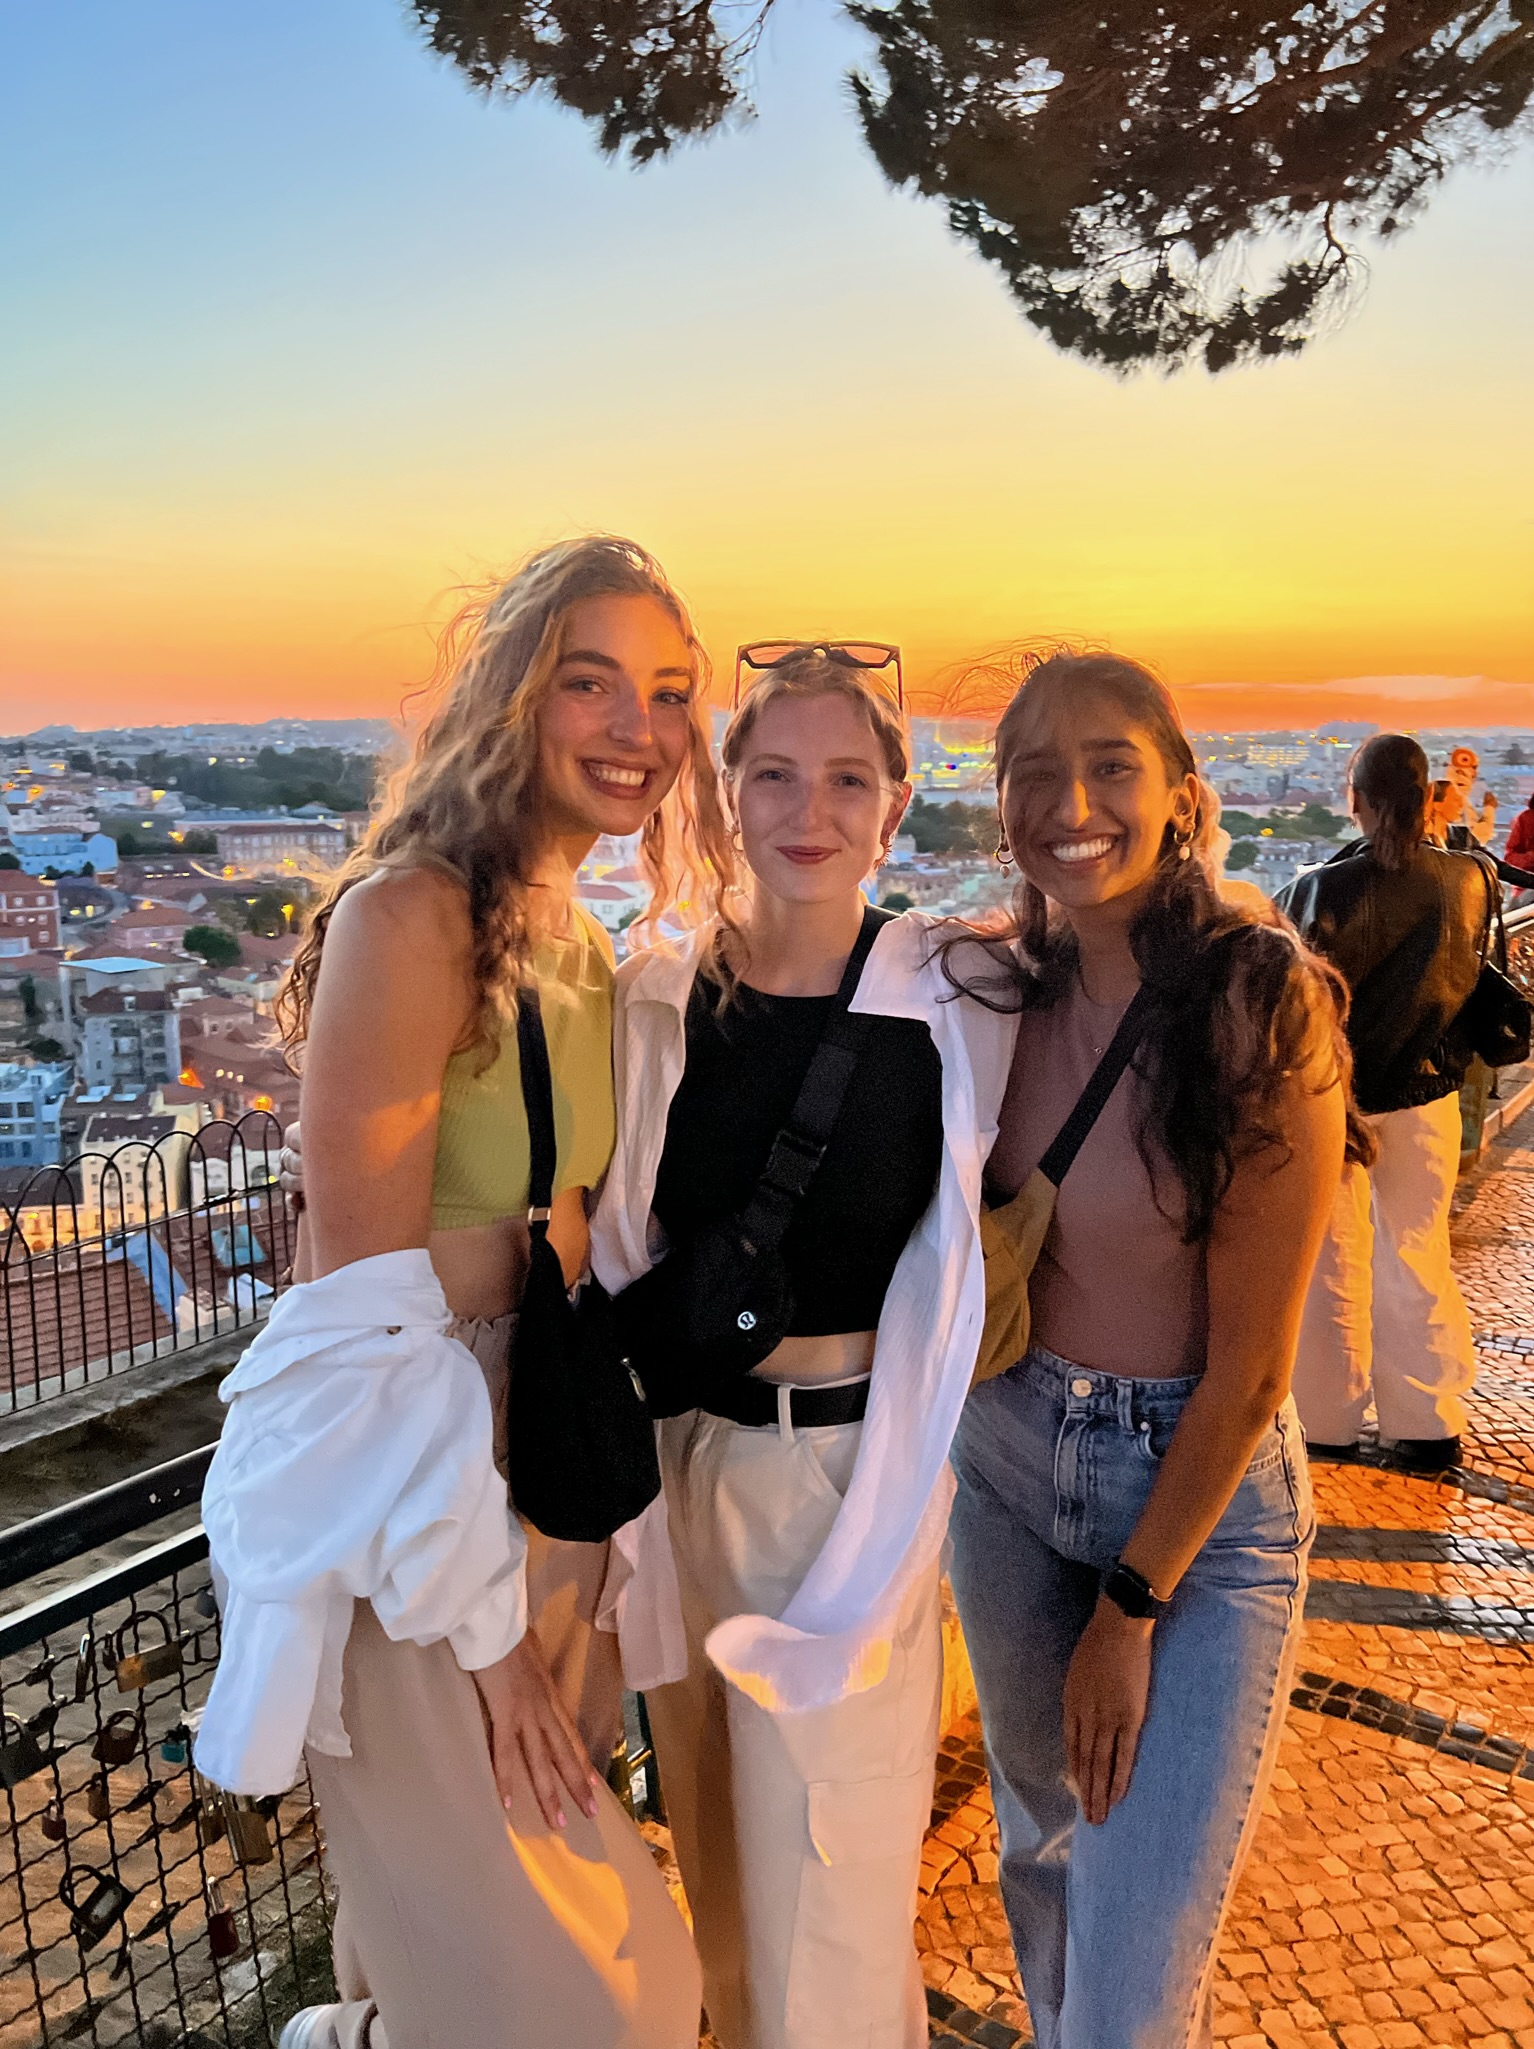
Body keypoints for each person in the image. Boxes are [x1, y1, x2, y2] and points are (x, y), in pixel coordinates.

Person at [195, 537, 722, 2049]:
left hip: (542, 1465)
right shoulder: (411, 918)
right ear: (512, 699)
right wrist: (483, 1636)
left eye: (669, 693)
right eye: (593, 682)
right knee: (597, 2001)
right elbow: (358, 1312)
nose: (639, 725)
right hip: (409, 1498)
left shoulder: (580, 940)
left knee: (459, 1953)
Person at [591, 648, 1017, 2049]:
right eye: (772, 772)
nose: (808, 808)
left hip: (853, 1480)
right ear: (725, 795)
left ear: (896, 807)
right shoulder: (658, 1001)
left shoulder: (956, 1003)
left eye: (846, 778)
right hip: (686, 1467)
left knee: (831, 1879)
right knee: (713, 1853)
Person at [943, 652, 1351, 2049]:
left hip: (1193, 1515)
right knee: (1042, 1864)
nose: (1073, 799)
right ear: (998, 803)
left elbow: (1252, 1371)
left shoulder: (1257, 1004)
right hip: (1003, 1468)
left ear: (1181, 789)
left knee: (1130, 1987)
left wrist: (1130, 1609)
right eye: (1036, 769)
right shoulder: (992, 988)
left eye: (1110, 762)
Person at [1277, 733, 1489, 1475]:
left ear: (1355, 798)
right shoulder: (1467, 880)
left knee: (1333, 1258)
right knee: (1416, 1251)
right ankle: (1427, 1422)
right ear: (1426, 795)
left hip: (1341, 1099)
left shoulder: (1319, 888)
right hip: (1430, 1094)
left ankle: (1328, 1419)